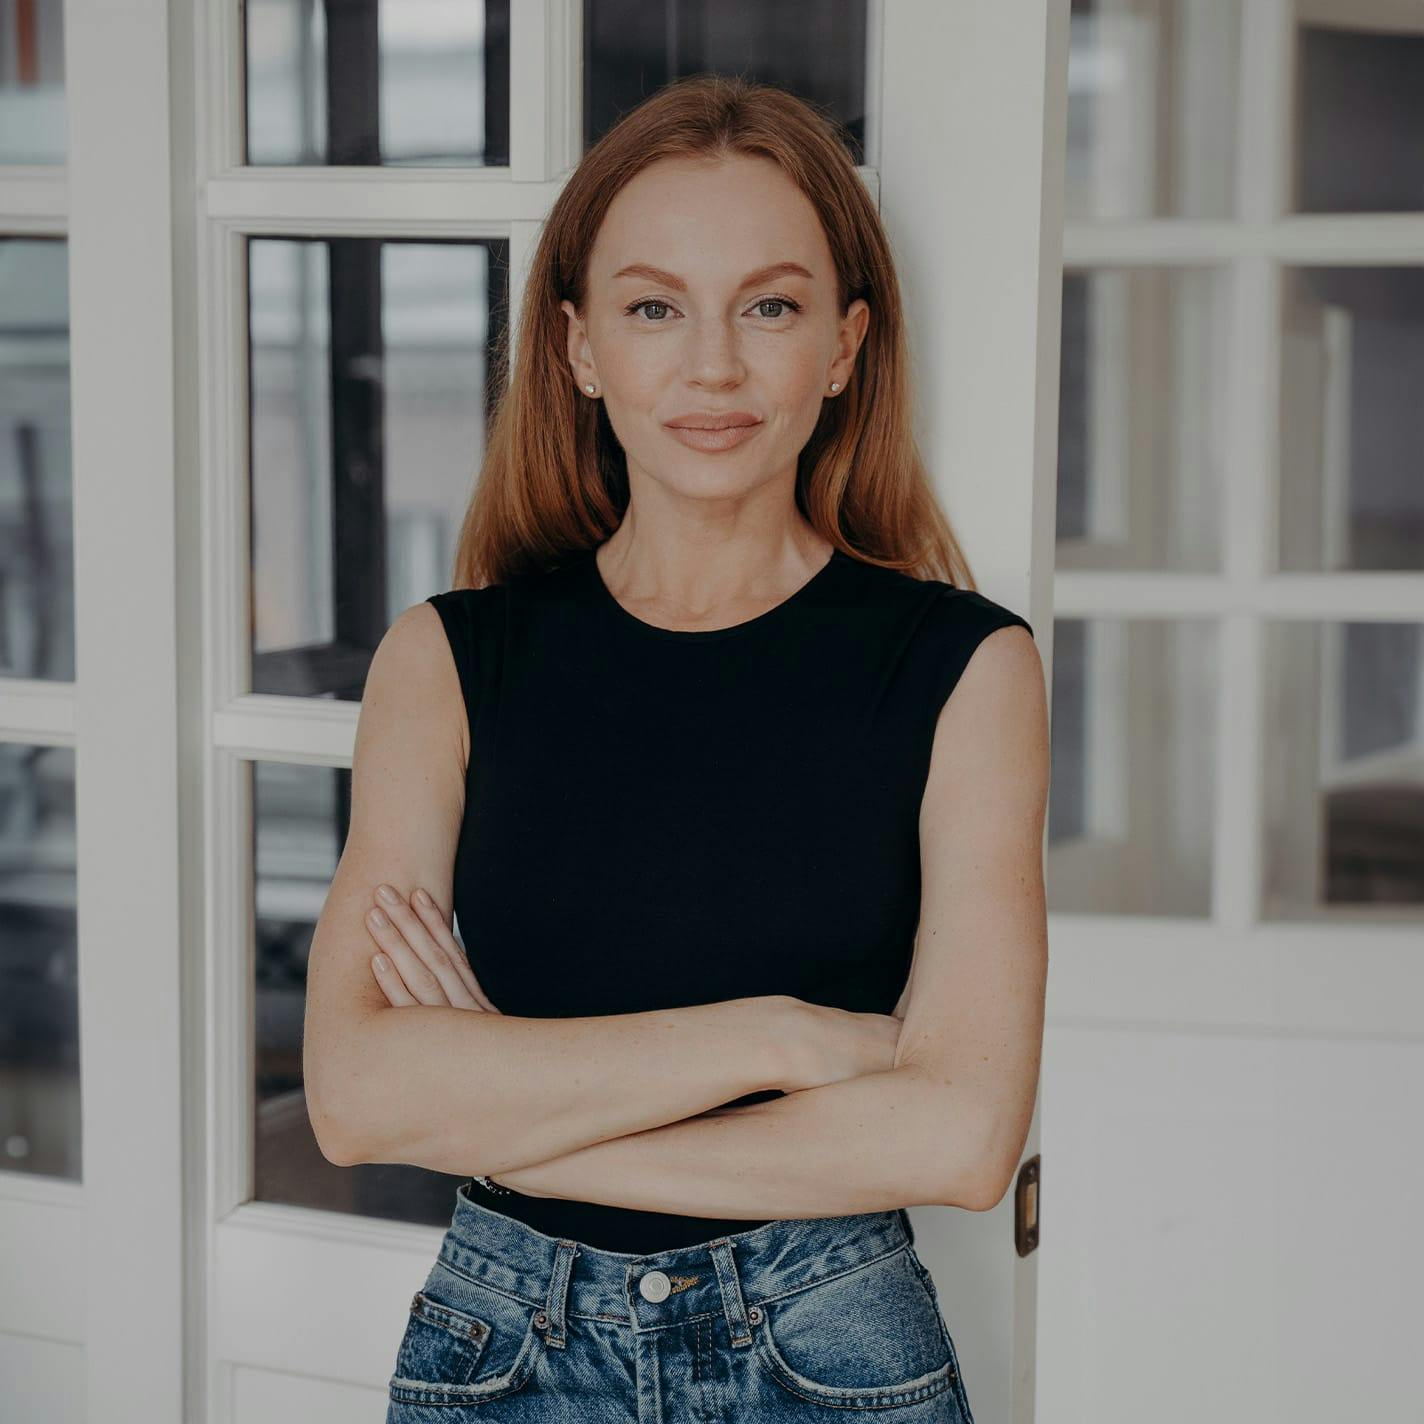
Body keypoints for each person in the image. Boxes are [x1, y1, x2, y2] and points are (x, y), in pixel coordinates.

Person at [304, 72, 1049, 1422]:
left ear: (845, 345)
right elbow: (358, 1101)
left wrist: (509, 1109)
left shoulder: (965, 670)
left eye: (770, 306)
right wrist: (781, 1039)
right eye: (656, 308)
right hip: (505, 1351)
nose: (713, 366)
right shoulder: (448, 660)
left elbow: (958, 1135)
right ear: (582, 349)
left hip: (830, 1348)